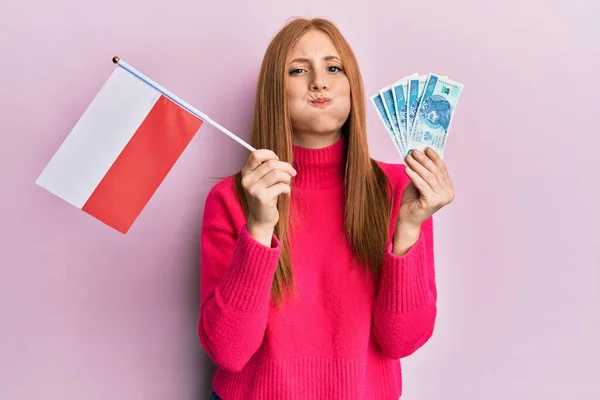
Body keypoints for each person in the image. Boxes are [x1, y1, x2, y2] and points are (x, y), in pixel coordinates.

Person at [198, 16, 455, 400]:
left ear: (352, 84)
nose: (319, 82)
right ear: (275, 92)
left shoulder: (401, 191)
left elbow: (402, 340)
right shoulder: (232, 197)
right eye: (298, 70)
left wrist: (408, 230)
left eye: (333, 68)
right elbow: (229, 352)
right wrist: (258, 228)